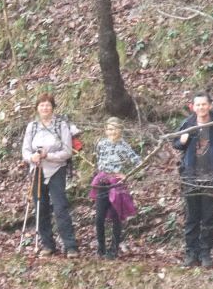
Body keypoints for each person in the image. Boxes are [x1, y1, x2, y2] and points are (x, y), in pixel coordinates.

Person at [172, 91, 213, 268]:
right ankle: (191, 253)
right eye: (197, 105)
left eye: (204, 104)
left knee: (208, 217)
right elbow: (176, 143)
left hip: (212, 178)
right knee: (191, 217)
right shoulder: (188, 124)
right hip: (190, 178)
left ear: (210, 105)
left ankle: (205, 253)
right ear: (192, 107)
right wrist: (182, 141)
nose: (201, 107)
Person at [22, 93, 78, 258]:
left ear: (53, 107)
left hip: (56, 169)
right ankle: (47, 245)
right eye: (42, 105)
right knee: (40, 207)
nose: (45, 108)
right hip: (37, 169)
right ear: (37, 108)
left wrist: (49, 156)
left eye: (48, 105)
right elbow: (25, 150)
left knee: (60, 207)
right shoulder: (32, 127)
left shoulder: (61, 125)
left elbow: (67, 151)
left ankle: (70, 246)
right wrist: (31, 157)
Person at [90, 117, 141, 259]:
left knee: (116, 216)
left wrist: (126, 174)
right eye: (109, 129)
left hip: (117, 184)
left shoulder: (124, 146)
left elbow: (138, 162)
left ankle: (114, 249)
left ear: (120, 130)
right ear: (105, 130)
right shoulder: (101, 144)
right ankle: (101, 248)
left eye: (115, 129)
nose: (112, 132)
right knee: (99, 217)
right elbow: (98, 160)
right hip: (102, 182)